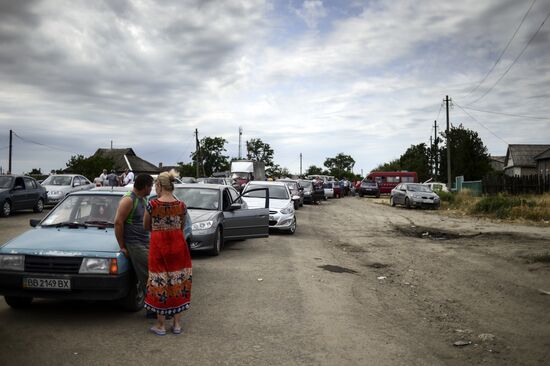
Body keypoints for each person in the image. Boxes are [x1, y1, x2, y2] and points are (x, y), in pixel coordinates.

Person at [144, 172, 192, 336]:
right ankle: (177, 324)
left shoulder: (152, 205)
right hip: (178, 247)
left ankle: (161, 325)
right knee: (177, 281)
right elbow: (182, 226)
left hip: (158, 247)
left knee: (159, 283)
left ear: (159, 186)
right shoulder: (182, 205)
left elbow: (146, 226)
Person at [114, 173, 154, 314]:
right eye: (151, 186)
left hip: (145, 241)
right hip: (134, 244)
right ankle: (152, 310)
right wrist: (122, 246)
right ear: (145, 186)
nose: (151, 189)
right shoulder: (129, 200)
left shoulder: (142, 199)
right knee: (148, 275)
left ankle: (154, 307)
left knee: (152, 274)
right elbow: (118, 223)